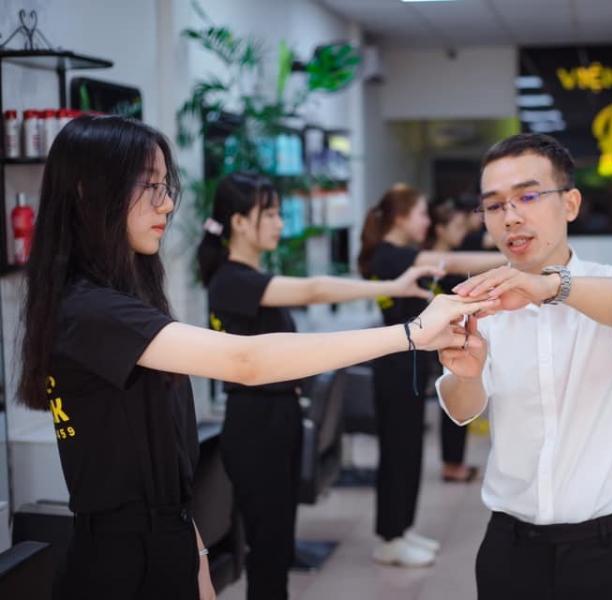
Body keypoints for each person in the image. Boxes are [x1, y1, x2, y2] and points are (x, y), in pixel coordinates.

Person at [21, 115, 495, 600]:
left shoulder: (120, 303)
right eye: (150, 187)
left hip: (164, 546)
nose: (166, 203)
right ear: (88, 192)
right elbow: (247, 360)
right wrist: (411, 333)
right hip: (118, 566)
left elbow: (161, 465)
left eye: (166, 187)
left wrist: (196, 552)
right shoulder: (91, 311)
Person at [196, 172, 445, 600]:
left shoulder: (248, 278)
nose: (279, 223)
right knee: (268, 550)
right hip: (257, 423)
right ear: (239, 222)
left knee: (276, 547)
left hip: (279, 419)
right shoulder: (233, 280)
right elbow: (313, 289)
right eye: (269, 214)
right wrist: (389, 286)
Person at [438, 133, 612, 599]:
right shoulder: (480, 305)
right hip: (512, 549)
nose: (512, 217)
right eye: (495, 205)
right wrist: (468, 371)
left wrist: (548, 287)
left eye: (529, 196)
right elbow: (463, 409)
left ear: (571, 204)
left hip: (610, 548)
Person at [358, 184, 507, 567]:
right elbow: (452, 262)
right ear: (401, 218)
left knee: (407, 451)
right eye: (422, 214)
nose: (427, 221)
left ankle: (401, 530)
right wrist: (515, 258)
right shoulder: (392, 256)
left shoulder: (395, 255)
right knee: (398, 452)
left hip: (406, 363)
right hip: (394, 364)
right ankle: (390, 537)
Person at [425, 200, 480, 484]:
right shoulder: (433, 262)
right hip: (440, 343)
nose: (462, 231)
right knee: (451, 400)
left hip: (453, 339)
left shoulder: (451, 257)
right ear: (440, 229)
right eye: (456, 226)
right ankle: (452, 464)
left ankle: (454, 461)